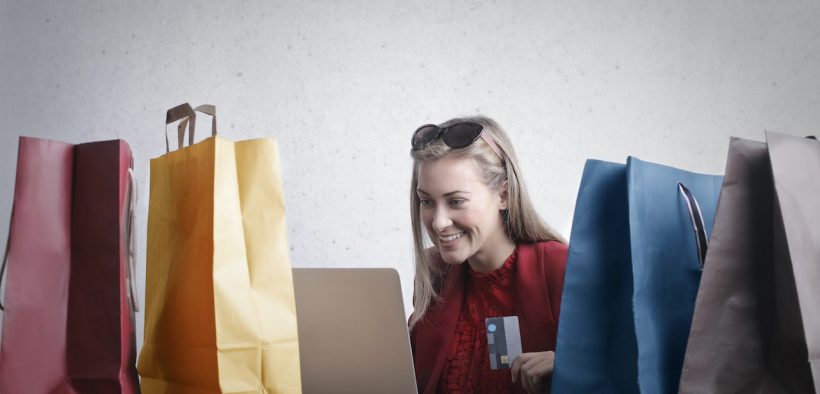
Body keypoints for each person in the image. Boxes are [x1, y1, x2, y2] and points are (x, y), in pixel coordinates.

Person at [408, 116, 568, 394]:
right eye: (427, 201)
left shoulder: (560, 268)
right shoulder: (435, 273)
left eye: (456, 201)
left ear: (504, 195)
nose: (438, 222)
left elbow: (621, 373)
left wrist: (571, 371)